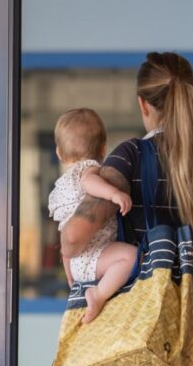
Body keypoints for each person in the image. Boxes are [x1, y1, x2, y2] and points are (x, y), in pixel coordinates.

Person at [60, 52, 193, 366]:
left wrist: (73, 258)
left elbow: (74, 234)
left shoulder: (132, 155)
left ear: (143, 104)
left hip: (137, 329)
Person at [48, 108, 136, 323]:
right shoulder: (87, 169)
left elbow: (63, 229)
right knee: (131, 257)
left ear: (59, 153)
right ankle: (99, 294)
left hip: (77, 262)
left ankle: (97, 291)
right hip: (97, 253)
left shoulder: (60, 188)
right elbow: (90, 182)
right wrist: (114, 193)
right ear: (104, 149)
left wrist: (68, 268)